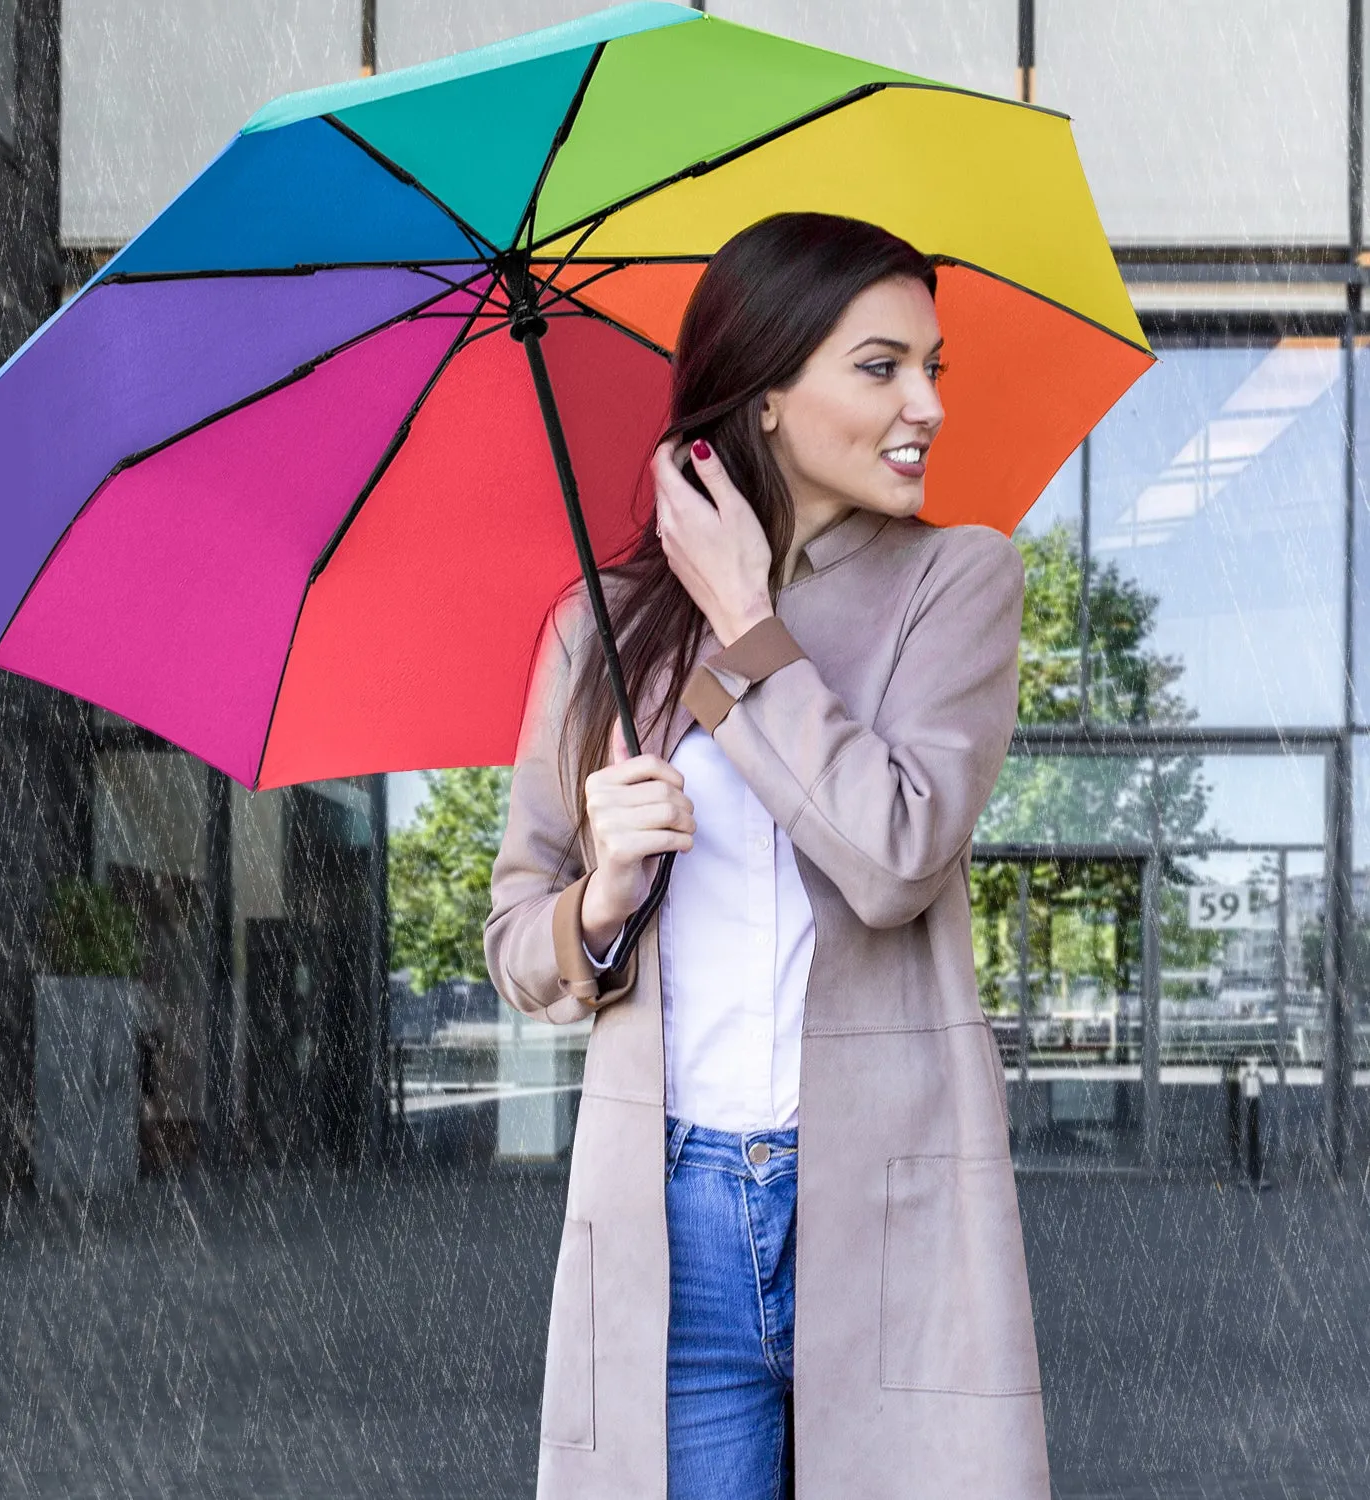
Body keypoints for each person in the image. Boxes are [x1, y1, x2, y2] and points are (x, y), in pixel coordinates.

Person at [485, 212, 1048, 1500]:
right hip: (670, 1212)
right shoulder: (603, 625)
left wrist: (746, 619)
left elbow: (897, 855)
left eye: (933, 368)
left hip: (883, 1200)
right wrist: (604, 895)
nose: (925, 406)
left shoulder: (955, 585)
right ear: (771, 397)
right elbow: (521, 945)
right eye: (880, 366)